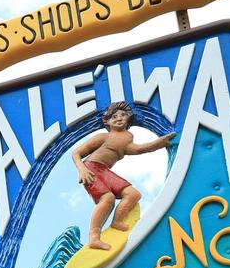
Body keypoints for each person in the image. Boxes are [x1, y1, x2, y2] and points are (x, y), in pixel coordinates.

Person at [70, 101, 175, 250]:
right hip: (91, 169)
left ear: (129, 119)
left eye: (123, 115)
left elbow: (139, 149)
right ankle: (94, 237)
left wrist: (159, 143)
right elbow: (76, 153)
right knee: (108, 198)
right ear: (107, 121)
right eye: (114, 116)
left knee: (133, 194)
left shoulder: (126, 139)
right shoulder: (103, 137)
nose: (119, 118)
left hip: (105, 171)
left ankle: (117, 222)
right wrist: (82, 170)